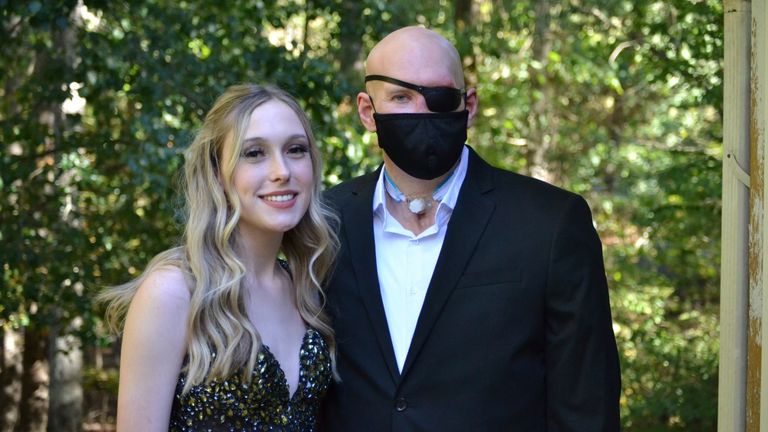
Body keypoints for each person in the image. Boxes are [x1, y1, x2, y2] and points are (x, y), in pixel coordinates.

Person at [320, 26, 621, 431]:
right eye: (400, 97)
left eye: (440, 97)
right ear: (367, 111)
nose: (422, 112)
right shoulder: (323, 222)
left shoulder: (549, 223)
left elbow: (586, 403)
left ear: (470, 105)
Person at [99, 84, 339, 431]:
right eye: (254, 153)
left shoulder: (305, 288)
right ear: (217, 173)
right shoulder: (174, 291)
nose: (281, 171)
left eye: (296, 150)